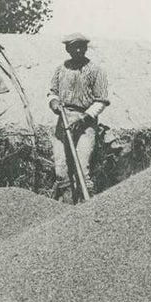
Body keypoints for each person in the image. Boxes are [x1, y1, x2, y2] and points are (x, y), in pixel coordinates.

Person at [48, 33, 111, 202]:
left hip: (85, 122)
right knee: (61, 169)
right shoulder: (61, 69)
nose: (77, 50)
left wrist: (83, 118)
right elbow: (52, 92)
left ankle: (86, 208)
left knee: (83, 169)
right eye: (74, 47)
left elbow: (102, 101)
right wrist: (53, 103)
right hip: (63, 120)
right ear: (67, 48)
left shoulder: (97, 71)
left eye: (81, 46)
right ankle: (67, 206)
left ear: (86, 48)